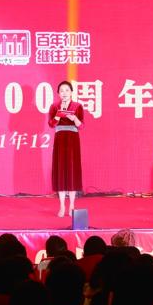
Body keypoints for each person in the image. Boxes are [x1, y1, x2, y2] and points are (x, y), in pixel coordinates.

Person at [47, 81, 84, 217]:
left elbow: (81, 125)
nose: (64, 93)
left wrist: (74, 118)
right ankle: (62, 205)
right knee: (61, 171)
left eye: (67, 90)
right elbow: (51, 124)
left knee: (72, 171)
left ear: (71, 92)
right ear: (58, 93)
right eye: (61, 91)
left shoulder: (78, 106)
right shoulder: (54, 106)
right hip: (60, 140)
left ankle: (72, 205)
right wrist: (59, 114)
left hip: (73, 140)